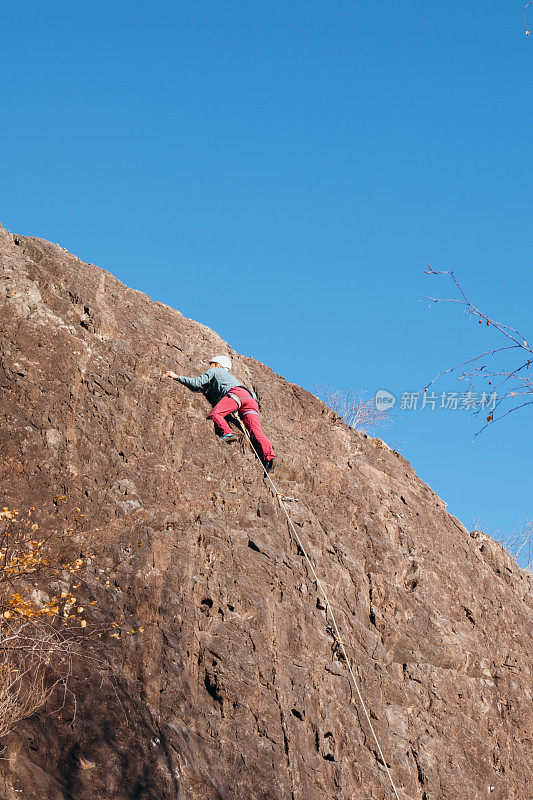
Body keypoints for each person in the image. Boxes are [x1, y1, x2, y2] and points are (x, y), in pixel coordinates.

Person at [165, 355, 277, 473]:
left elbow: (196, 383)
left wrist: (177, 377)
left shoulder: (215, 370)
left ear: (218, 364)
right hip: (250, 399)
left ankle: (228, 433)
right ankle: (270, 457)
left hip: (236, 395)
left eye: (212, 364)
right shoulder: (232, 378)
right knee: (255, 431)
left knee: (215, 414)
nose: (210, 366)